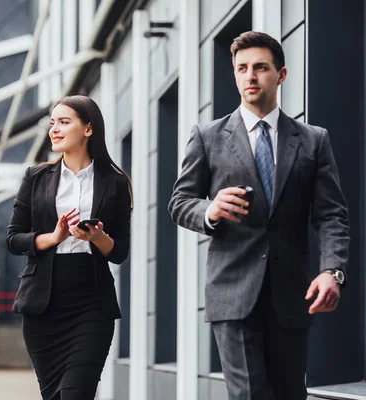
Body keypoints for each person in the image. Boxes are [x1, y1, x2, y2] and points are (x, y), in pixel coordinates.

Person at [168, 31, 350, 400]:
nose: (251, 76)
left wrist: (333, 271)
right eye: (242, 68)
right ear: (235, 75)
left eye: (261, 68)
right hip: (233, 293)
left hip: (292, 294)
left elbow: (332, 215)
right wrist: (210, 209)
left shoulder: (314, 140)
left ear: (281, 74)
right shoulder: (207, 136)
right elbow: (180, 201)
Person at [7, 95, 132, 400]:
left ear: (88, 129)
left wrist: (97, 237)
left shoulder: (114, 182)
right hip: (43, 304)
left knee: (76, 394)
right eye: (53, 123)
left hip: (91, 302)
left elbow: (119, 251)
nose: (55, 130)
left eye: (64, 122)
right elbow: (13, 239)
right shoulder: (35, 178)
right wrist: (54, 236)